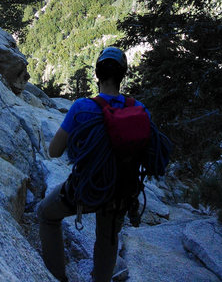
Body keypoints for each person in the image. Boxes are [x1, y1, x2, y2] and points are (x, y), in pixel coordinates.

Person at [37, 46, 150, 282]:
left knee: (47, 214)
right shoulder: (140, 110)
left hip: (87, 189)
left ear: (97, 74)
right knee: (108, 237)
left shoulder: (82, 107)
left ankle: (57, 277)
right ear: (122, 76)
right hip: (121, 191)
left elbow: (54, 151)